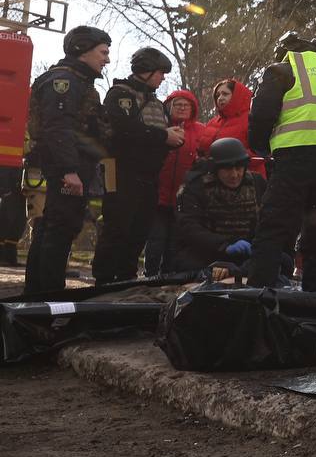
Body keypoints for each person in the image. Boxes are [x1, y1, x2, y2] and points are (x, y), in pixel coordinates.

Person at [244, 32, 316, 291]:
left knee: (273, 224)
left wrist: (261, 146)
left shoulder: (283, 69)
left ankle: (257, 293)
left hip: (294, 155)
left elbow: (261, 113)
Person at [23, 26, 112, 294]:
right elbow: (58, 128)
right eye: (103, 52)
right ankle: (48, 298)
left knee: (54, 226)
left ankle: (38, 296)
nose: (106, 59)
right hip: (65, 167)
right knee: (58, 230)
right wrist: (68, 171)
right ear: (82, 51)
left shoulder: (77, 81)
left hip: (72, 165)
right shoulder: (64, 81)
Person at [91, 47, 185, 285]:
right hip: (122, 172)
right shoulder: (120, 95)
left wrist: (172, 139)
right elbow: (125, 129)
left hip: (149, 176)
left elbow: (154, 135)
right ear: (145, 70)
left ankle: (126, 278)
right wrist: (163, 137)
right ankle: (103, 280)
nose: (163, 78)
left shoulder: (156, 103)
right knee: (117, 226)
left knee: (139, 230)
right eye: (160, 72)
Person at [172, 137, 270, 273]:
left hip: (247, 253)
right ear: (215, 169)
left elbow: (269, 221)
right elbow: (189, 227)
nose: (234, 175)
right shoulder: (196, 187)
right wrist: (224, 245)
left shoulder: (257, 183)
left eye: (239, 168)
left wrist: (258, 244)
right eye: (227, 169)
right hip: (207, 254)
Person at [143, 89, 202, 275]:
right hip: (157, 197)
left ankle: (167, 280)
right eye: (178, 104)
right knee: (155, 242)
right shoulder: (159, 128)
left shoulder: (201, 131)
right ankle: (149, 277)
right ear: (169, 107)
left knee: (174, 245)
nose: (182, 107)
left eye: (187, 105)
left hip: (183, 201)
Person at [196, 78, 267, 178]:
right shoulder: (213, 122)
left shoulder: (252, 118)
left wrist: (233, 158)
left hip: (248, 179)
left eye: (225, 94)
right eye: (217, 95)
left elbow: (262, 152)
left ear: (237, 95)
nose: (220, 98)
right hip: (217, 180)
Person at [0, 168, 23, 266]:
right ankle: (2, 256)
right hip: (8, 183)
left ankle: (10, 256)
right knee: (5, 220)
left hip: (20, 183)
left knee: (18, 223)